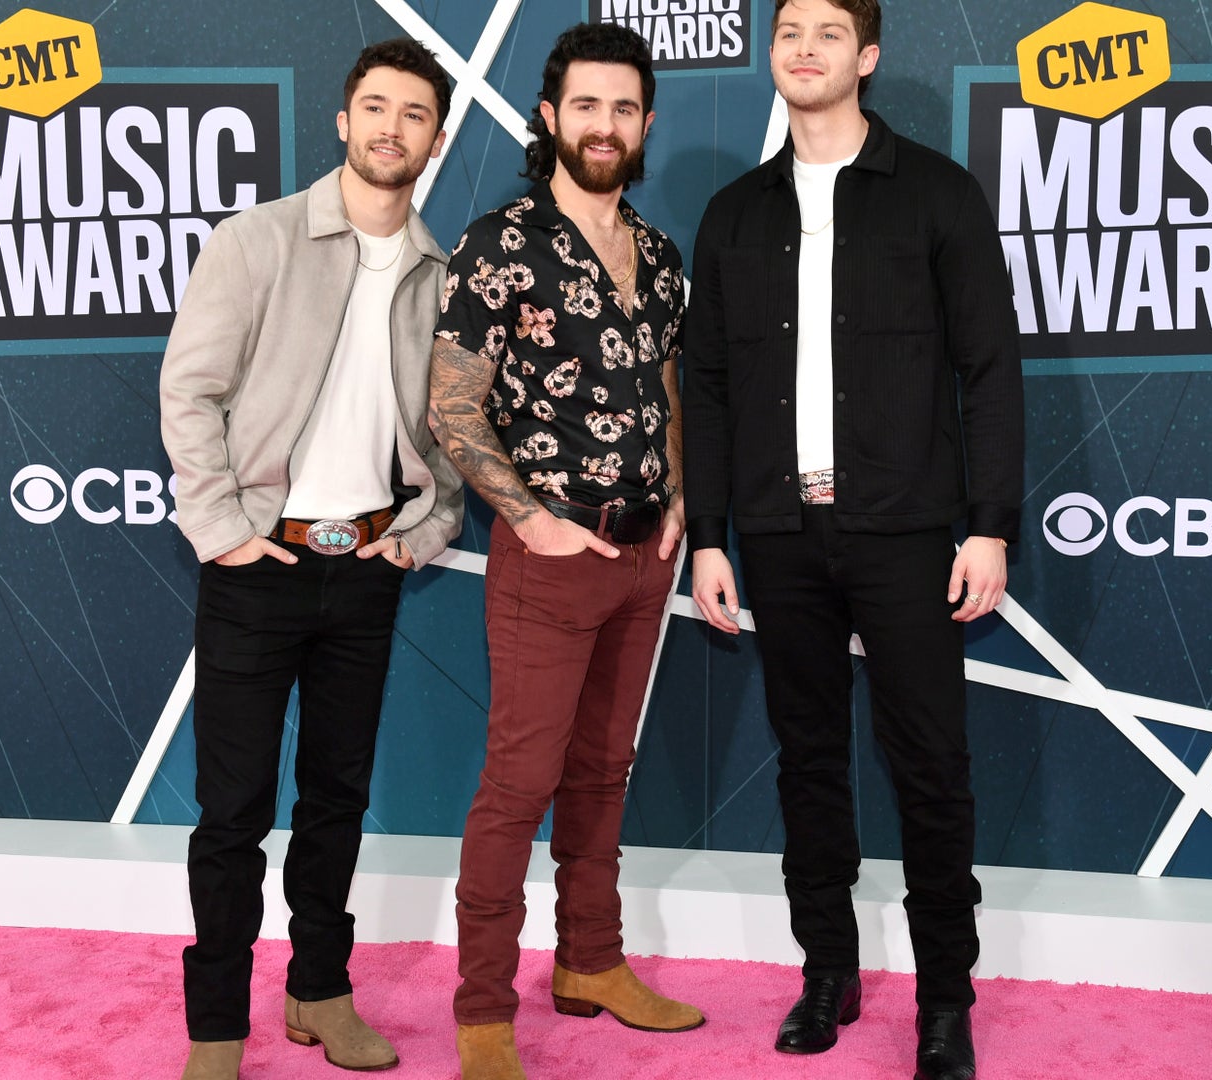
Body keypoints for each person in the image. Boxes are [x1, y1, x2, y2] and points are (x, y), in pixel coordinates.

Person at [681, 0, 1025, 1077]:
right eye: (789, 31)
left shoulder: (935, 192)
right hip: (779, 538)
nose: (806, 49)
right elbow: (710, 384)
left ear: (866, 58)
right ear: (771, 55)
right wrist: (707, 535)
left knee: (932, 769)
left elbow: (989, 371)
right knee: (810, 765)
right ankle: (825, 974)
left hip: (908, 534)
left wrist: (991, 527)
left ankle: (944, 1005)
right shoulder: (735, 213)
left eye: (829, 33)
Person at [157, 37, 463, 1080]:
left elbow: (456, 427)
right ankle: (215, 1030)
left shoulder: (439, 272)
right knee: (233, 810)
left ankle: (319, 994)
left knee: (337, 799)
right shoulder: (259, 240)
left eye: (414, 113)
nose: (391, 127)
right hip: (254, 570)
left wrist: (419, 537)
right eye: (374, 107)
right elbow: (188, 391)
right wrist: (222, 530)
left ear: (435, 135)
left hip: (366, 571)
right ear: (343, 121)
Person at [427, 22, 704, 1080]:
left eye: (624, 108)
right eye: (585, 106)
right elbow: (451, 405)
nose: (605, 125)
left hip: (644, 559)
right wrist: (529, 517)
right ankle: (483, 1013)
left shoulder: (662, 253)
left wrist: (677, 488)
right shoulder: (499, 241)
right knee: (519, 783)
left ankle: (591, 962)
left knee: (602, 770)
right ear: (550, 118)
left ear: (642, 125)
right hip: (547, 559)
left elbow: (668, 384)